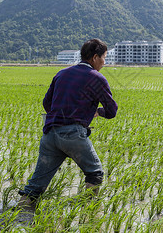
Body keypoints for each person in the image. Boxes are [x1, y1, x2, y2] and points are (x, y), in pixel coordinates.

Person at [16, 38, 118, 211]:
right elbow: (112, 110)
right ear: (94, 57)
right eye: (104, 58)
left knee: (36, 184)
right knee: (95, 173)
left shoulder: (62, 73)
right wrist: (97, 112)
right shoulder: (97, 78)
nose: (104, 62)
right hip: (73, 135)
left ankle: (18, 216)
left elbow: (47, 103)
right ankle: (90, 212)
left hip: (50, 134)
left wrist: (61, 114)